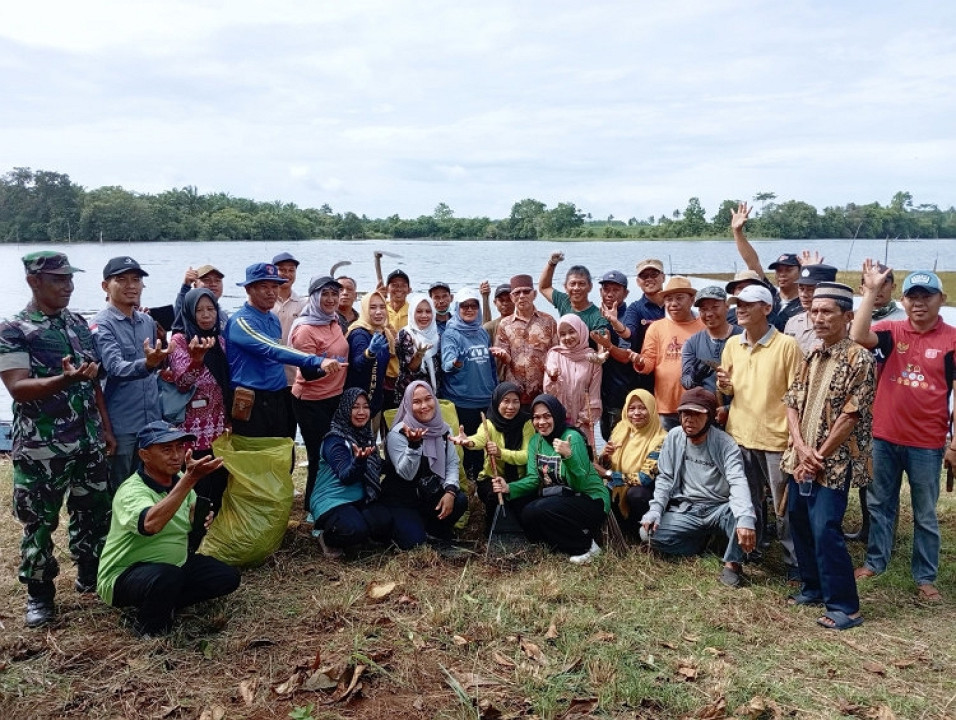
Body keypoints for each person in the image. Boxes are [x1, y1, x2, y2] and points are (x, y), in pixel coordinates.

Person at [0, 251, 114, 627]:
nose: (67, 286)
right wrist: (64, 380)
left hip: (88, 440)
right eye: (57, 279)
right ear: (34, 281)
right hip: (41, 447)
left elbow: (92, 378)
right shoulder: (15, 329)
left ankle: (90, 574)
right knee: (40, 522)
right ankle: (40, 593)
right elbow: (18, 388)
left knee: (94, 512)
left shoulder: (79, 324)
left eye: (69, 278)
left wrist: (105, 428)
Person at [850, 263, 956, 602]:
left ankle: (925, 577)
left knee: (925, 514)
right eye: (912, 296)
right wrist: (869, 291)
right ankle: (875, 562)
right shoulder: (891, 330)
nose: (919, 303)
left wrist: (954, 441)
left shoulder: (951, 340)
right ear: (903, 300)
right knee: (881, 504)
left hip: (927, 441)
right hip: (884, 436)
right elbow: (857, 336)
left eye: (927, 296)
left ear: (942, 298)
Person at [782, 282, 874, 630]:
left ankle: (845, 607)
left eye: (827, 312)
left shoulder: (860, 359)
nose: (818, 318)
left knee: (826, 529)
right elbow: (791, 403)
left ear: (847, 316)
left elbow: (850, 416)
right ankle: (813, 587)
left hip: (833, 464)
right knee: (799, 522)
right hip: (801, 458)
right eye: (814, 311)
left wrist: (817, 455)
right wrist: (802, 449)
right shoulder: (812, 354)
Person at [96, 421, 241, 637]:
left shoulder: (179, 479)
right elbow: (150, 524)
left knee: (226, 577)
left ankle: (164, 600)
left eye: (179, 448)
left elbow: (187, 514)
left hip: (175, 564)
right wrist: (191, 479)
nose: (176, 456)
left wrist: (199, 518)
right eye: (166, 450)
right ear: (145, 455)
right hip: (124, 575)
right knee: (166, 577)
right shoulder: (132, 491)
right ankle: (149, 629)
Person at [717, 284, 802, 580]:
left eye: (748, 304)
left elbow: (797, 396)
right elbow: (728, 388)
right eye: (737, 303)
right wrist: (723, 386)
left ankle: (794, 563)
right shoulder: (732, 344)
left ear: (767, 309)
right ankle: (745, 555)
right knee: (745, 501)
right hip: (739, 435)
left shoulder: (787, 346)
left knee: (784, 506)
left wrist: (796, 440)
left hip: (777, 438)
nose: (739, 309)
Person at [640, 388, 757, 587]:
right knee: (648, 534)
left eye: (696, 414)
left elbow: (737, 481)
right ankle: (700, 543)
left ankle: (732, 564)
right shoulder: (674, 437)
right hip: (688, 509)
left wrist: (746, 519)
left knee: (745, 517)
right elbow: (665, 477)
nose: (689, 419)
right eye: (685, 413)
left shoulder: (725, 444)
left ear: (709, 417)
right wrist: (655, 510)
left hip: (720, 507)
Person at [491, 394, 609, 564]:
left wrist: (568, 456)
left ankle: (587, 546)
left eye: (547, 416)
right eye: (537, 417)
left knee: (542, 508)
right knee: (525, 510)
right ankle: (558, 543)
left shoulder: (572, 438)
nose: (541, 422)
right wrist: (508, 488)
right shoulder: (535, 442)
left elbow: (581, 483)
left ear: (557, 415)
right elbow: (533, 479)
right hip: (559, 497)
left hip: (591, 499)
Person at [223, 263, 331, 439]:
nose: (271, 292)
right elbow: (273, 349)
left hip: (278, 395)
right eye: (264, 287)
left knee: (282, 448)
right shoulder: (240, 322)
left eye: (274, 286)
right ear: (249, 289)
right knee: (255, 454)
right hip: (251, 399)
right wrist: (316, 360)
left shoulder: (273, 318)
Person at [92, 256, 167, 491]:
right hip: (121, 425)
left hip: (152, 422)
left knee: (150, 486)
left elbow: (158, 368)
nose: (131, 286)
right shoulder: (101, 324)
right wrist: (148, 364)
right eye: (121, 280)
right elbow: (114, 367)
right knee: (120, 489)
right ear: (106, 286)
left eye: (136, 279)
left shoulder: (147, 321)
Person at [845, 262, 904, 544]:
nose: (878, 289)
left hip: (891, 407)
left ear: (893, 286)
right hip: (861, 407)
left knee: (886, 478)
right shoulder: (858, 318)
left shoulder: (903, 321)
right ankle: (869, 528)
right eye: (871, 284)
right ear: (862, 287)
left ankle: (885, 533)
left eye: (885, 283)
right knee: (864, 470)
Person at [381, 381, 468, 549]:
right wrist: (413, 445)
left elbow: (452, 463)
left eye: (428, 399)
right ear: (407, 404)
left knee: (460, 500)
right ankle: (412, 529)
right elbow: (406, 474)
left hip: (429, 495)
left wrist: (450, 491)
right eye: (416, 402)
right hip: (403, 500)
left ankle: (434, 530)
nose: (424, 406)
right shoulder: (398, 434)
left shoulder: (444, 429)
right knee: (413, 543)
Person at [167, 288, 231, 513]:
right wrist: (197, 361)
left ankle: (213, 532)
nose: (206, 315)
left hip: (218, 427)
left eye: (211, 309)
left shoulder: (220, 340)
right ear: (189, 312)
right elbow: (182, 382)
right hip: (191, 430)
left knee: (218, 482)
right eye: (199, 310)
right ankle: (193, 536)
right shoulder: (180, 340)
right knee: (196, 487)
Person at [309, 388, 393, 556]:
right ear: (346, 409)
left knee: (384, 522)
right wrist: (359, 461)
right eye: (355, 407)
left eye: (365, 407)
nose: (361, 412)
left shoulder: (365, 435)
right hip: (332, 499)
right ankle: (326, 536)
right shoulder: (334, 440)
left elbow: (377, 465)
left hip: (359, 497)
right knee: (353, 530)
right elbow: (346, 476)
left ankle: (357, 529)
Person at [290, 276, 350, 507]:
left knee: (335, 451)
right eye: (325, 294)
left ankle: (332, 499)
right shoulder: (305, 329)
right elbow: (307, 373)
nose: (330, 299)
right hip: (311, 401)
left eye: (335, 294)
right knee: (318, 455)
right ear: (314, 297)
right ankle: (311, 506)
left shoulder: (333, 321)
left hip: (335, 397)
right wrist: (326, 367)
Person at [450, 381, 534, 524]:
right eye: (505, 401)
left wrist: (501, 453)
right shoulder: (489, 423)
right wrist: (468, 442)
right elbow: (480, 439)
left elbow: (527, 456)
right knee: (494, 495)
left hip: (520, 479)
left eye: (515, 402)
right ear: (497, 402)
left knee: (524, 510)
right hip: (492, 477)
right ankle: (492, 529)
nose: (511, 407)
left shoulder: (526, 423)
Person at [441, 287, 498, 481]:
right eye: (464, 306)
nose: (469, 309)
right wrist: (456, 362)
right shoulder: (451, 333)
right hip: (463, 401)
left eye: (473, 305)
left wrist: (494, 390)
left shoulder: (482, 332)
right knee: (466, 446)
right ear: (457, 308)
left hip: (486, 399)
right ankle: (468, 485)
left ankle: (483, 484)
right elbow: (447, 364)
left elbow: (491, 366)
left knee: (484, 444)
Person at [632, 277, 704, 430]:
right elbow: (649, 363)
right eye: (669, 299)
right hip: (666, 407)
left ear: (692, 299)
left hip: (698, 405)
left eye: (679, 298)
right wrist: (640, 361)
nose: (673, 303)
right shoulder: (656, 327)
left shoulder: (705, 326)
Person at [595, 389, 666, 534]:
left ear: (652, 409)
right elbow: (604, 464)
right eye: (631, 408)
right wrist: (607, 456)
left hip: (647, 493)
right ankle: (625, 527)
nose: (636, 413)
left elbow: (644, 478)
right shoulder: (621, 429)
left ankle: (644, 528)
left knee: (636, 494)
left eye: (642, 408)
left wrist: (608, 474)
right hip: (619, 486)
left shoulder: (660, 439)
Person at [730, 202, 802, 330]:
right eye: (778, 270)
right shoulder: (769, 295)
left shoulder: (806, 303)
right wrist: (737, 232)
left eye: (788, 270)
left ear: (800, 272)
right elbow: (752, 263)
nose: (782, 274)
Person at [493, 273, 557, 409]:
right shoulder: (505, 324)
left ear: (534, 294)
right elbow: (503, 355)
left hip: (543, 390)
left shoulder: (548, 321)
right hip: (515, 393)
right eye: (517, 293)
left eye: (526, 292)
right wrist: (504, 356)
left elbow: (556, 353)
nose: (522, 296)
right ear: (512, 297)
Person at [593, 270, 640, 441]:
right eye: (606, 289)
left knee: (621, 440)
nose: (610, 294)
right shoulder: (596, 315)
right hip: (601, 392)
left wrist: (608, 346)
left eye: (616, 290)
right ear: (600, 292)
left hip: (621, 392)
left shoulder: (629, 316)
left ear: (625, 293)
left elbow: (625, 356)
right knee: (608, 438)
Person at [543, 314, 602, 446]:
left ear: (581, 331)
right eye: (562, 334)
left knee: (581, 458)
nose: (567, 338)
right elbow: (549, 392)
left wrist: (579, 423)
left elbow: (594, 396)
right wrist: (553, 378)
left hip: (583, 423)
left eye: (571, 332)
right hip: (558, 420)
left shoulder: (592, 359)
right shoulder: (554, 354)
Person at [344, 290, 394, 425]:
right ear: (365, 310)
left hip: (375, 401)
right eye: (372, 308)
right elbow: (357, 364)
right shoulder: (360, 333)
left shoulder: (383, 332)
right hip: (357, 403)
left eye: (382, 307)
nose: (378, 312)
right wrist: (370, 352)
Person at [681, 286, 741, 395]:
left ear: (727, 306)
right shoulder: (692, 343)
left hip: (742, 404)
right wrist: (694, 376)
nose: (709, 314)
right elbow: (686, 382)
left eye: (715, 307)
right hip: (707, 407)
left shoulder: (743, 336)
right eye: (704, 309)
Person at [621, 258, 667, 394]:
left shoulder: (674, 306)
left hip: (672, 369)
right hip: (645, 375)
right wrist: (616, 324)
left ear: (663, 277)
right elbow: (629, 333)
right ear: (638, 281)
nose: (649, 279)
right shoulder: (635, 309)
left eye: (654, 275)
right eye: (644, 276)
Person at [538, 252, 609, 333]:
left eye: (581, 284)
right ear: (565, 287)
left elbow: (602, 344)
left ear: (590, 287)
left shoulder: (598, 317)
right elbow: (544, 287)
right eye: (572, 284)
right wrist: (552, 263)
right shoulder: (564, 301)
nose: (576, 288)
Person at [783, 264, 838, 354]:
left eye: (811, 289)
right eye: (801, 288)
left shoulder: (842, 325)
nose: (804, 294)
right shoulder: (792, 323)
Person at [396, 292, 442, 400]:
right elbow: (410, 369)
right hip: (410, 394)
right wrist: (419, 355)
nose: (424, 315)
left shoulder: (436, 334)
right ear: (412, 313)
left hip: (433, 392)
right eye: (419, 311)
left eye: (428, 311)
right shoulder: (405, 334)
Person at [271, 252, 307, 388]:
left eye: (291, 270)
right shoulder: (263, 303)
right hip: (269, 374)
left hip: (294, 376)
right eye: (282, 270)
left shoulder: (303, 304)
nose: (287, 274)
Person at [383, 268, 412, 409]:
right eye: (394, 285)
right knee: (385, 416)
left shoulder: (414, 311)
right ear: (387, 288)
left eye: (403, 285)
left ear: (409, 289)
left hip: (407, 375)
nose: (398, 289)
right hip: (385, 376)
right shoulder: (379, 309)